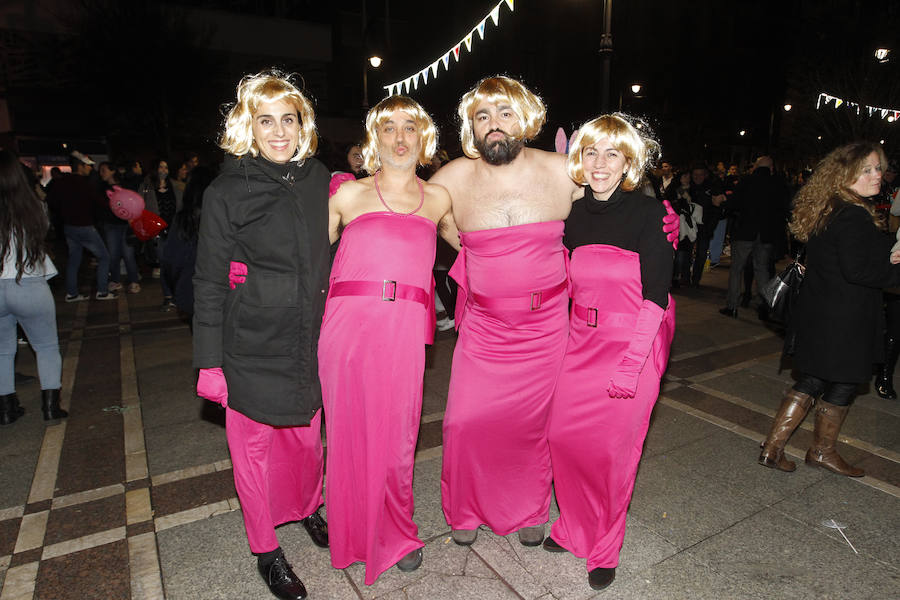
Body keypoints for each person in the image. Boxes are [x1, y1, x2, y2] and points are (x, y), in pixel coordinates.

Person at [429, 76, 679, 548]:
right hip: (483, 327)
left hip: (547, 327)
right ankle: (465, 507)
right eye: (483, 117)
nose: (495, 125)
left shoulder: (565, 171)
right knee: (464, 420)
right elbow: (411, 213)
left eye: (505, 113)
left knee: (534, 424)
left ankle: (529, 510)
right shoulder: (449, 179)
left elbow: (609, 207)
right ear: (471, 127)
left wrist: (657, 218)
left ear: (524, 118)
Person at [193, 70, 330, 600]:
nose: (278, 132)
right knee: (251, 453)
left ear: (302, 125)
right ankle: (266, 550)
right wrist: (209, 361)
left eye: (288, 121)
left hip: (309, 337)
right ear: (248, 128)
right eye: (265, 121)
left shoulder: (320, 177)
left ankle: (309, 509)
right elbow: (208, 279)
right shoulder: (227, 190)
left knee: (305, 440)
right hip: (249, 340)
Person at [319, 95, 451, 585]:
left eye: (409, 127)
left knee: (398, 436)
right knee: (349, 433)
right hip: (346, 327)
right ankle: (351, 535)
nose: (399, 137)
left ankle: (395, 532)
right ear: (374, 138)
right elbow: (302, 258)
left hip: (403, 329)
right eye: (389, 127)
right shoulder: (347, 195)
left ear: (423, 138)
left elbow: (484, 247)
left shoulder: (438, 199)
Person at [543, 114, 675, 591]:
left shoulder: (649, 214)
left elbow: (656, 297)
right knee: (564, 439)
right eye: (592, 152)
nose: (600, 164)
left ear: (629, 162)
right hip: (581, 344)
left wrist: (632, 362)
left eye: (612, 154)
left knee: (613, 456)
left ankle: (604, 546)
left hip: (632, 343)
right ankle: (573, 526)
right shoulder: (572, 215)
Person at [759, 142, 900, 478]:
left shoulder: (833, 207)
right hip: (845, 317)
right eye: (866, 169)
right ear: (846, 174)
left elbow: (847, 260)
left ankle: (773, 448)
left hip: (824, 311)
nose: (877, 174)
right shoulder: (853, 214)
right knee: (844, 382)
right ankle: (821, 451)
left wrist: (886, 255)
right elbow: (858, 271)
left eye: (878, 167)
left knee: (813, 378)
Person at [0, 150, 66, 425]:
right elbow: (45, 233)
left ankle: (6, 409)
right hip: (29, 282)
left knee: (2, 350)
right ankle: (50, 407)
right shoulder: (34, 206)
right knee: (47, 346)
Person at [718, 156, 789, 319]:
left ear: (756, 166)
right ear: (771, 167)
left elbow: (734, 203)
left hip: (745, 231)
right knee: (762, 269)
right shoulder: (777, 184)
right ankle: (764, 306)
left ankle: (732, 305)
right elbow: (783, 208)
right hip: (765, 234)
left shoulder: (747, 181)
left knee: (737, 269)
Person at [44, 151, 116, 302]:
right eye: (88, 166)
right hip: (84, 226)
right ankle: (102, 291)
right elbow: (100, 202)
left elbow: (51, 201)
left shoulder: (61, 182)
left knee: (74, 259)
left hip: (69, 227)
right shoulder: (84, 184)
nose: (90, 169)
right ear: (80, 167)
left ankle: (72, 293)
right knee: (104, 257)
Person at [162, 166, 213, 323]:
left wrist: (176, 288)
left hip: (192, 293)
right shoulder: (230, 216)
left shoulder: (184, 220)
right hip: (228, 294)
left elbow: (171, 260)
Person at [142, 158, 182, 309]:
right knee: (164, 265)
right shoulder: (147, 186)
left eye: (166, 167)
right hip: (158, 232)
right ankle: (168, 296)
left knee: (176, 264)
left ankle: (177, 293)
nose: (163, 170)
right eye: (161, 167)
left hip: (175, 231)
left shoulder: (175, 186)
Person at [97, 162, 141, 294]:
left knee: (128, 254)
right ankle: (115, 280)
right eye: (100, 171)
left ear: (112, 171)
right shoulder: (102, 188)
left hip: (126, 225)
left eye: (104, 170)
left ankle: (134, 281)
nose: (101, 173)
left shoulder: (125, 185)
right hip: (111, 225)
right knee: (113, 254)